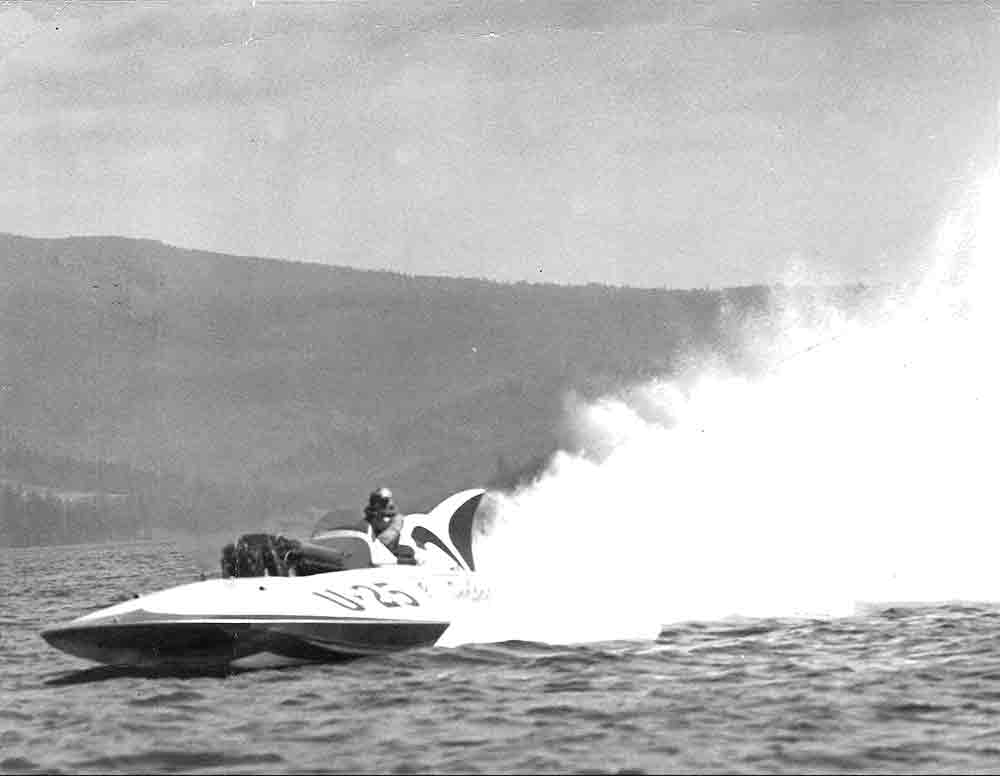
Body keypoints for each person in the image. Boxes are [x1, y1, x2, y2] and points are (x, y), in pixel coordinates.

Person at [363, 487, 403, 553]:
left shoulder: (396, 518)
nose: (390, 503)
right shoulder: (368, 521)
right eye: (385, 501)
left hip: (386, 551)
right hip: (379, 553)